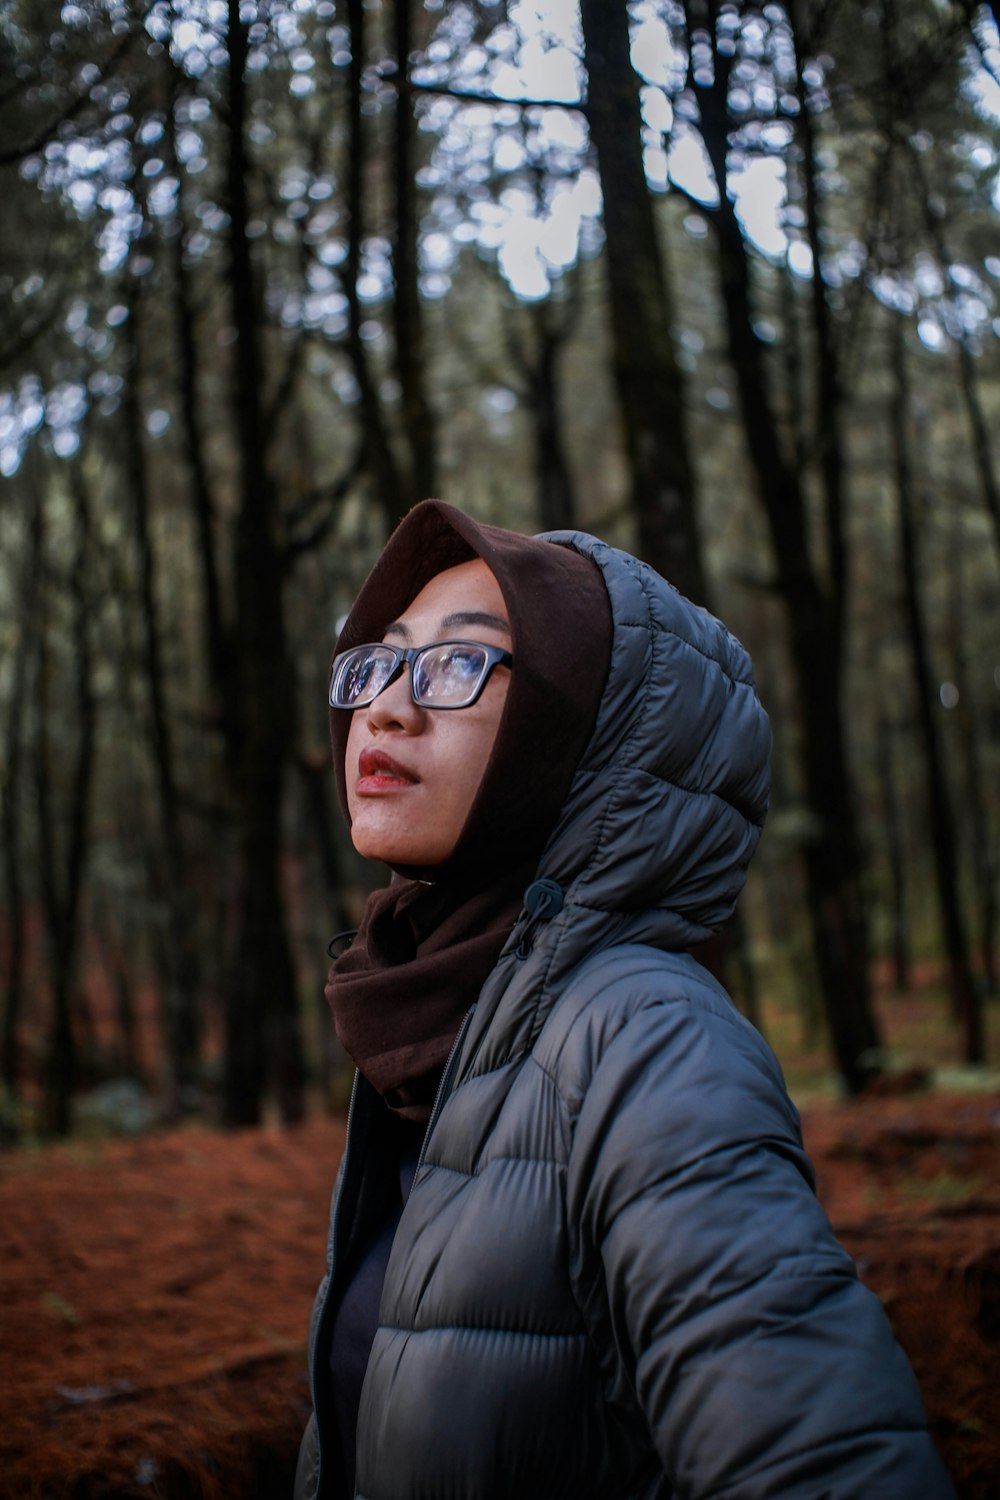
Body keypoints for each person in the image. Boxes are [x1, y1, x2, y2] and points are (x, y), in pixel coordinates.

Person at [295, 499, 956, 1500]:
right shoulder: (442, 1024)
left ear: (578, 738)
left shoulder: (647, 1039)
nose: (386, 708)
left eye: (460, 663)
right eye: (380, 662)